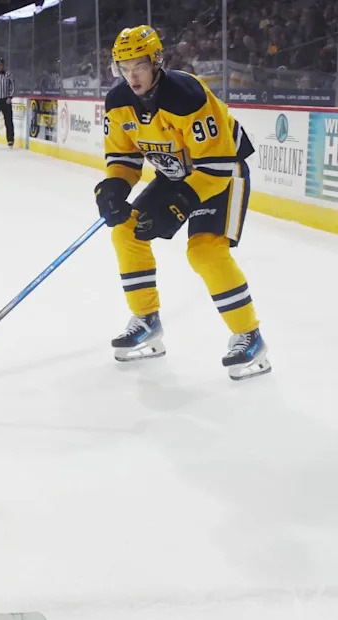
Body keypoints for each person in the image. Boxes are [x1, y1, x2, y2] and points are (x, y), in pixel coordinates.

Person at [95, 26, 270, 381]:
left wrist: (179, 205)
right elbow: (124, 159)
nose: (132, 75)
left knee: (204, 251)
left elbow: (216, 165)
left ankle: (250, 335)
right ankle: (147, 320)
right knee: (125, 230)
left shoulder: (186, 95)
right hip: (179, 176)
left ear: (157, 61)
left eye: (140, 65)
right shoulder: (118, 102)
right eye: (124, 67)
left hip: (223, 172)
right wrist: (114, 187)